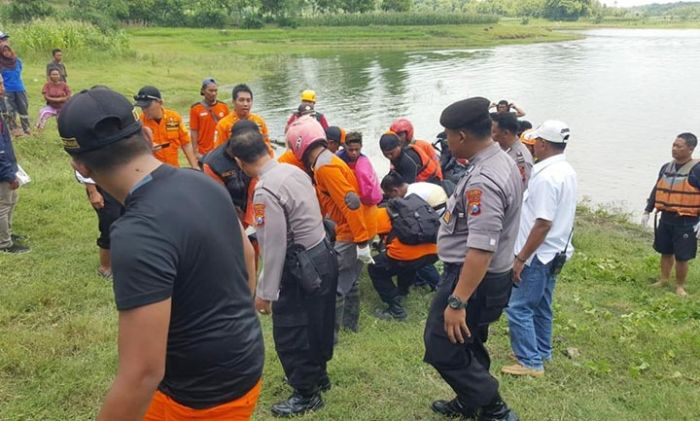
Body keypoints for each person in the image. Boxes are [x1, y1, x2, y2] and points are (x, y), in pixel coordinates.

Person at [58, 87, 264, 421]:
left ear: (80, 165)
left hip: (198, 398)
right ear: (143, 133)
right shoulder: (203, 182)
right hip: (247, 362)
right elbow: (248, 258)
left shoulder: (136, 233)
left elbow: (141, 375)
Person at [424, 97, 522, 421]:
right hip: (488, 276)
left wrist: (457, 301)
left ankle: (493, 407)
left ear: (461, 136)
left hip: (471, 277)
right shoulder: (501, 159)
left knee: (441, 344)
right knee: (469, 340)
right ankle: (470, 402)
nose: (447, 142)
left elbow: (481, 248)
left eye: (449, 135)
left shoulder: (483, 181)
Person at [231, 128, 337, 417]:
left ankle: (306, 394)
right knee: (318, 321)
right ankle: (319, 375)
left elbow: (274, 245)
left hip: (300, 267)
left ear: (240, 162)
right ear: (267, 147)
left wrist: (265, 293)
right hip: (322, 254)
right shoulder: (295, 171)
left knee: (293, 331)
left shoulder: (265, 191)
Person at [285, 116, 375, 338]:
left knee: (331, 285)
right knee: (348, 279)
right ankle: (350, 327)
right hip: (355, 229)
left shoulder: (325, 168)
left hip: (352, 232)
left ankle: (329, 337)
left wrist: (361, 241)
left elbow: (350, 202)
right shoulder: (326, 161)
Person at [502, 120, 577, 378]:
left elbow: (543, 222)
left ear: (543, 144)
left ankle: (530, 362)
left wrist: (521, 257)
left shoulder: (546, 177)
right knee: (542, 304)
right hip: (556, 250)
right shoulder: (566, 170)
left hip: (538, 253)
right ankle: (542, 350)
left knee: (518, 306)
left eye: (535, 143)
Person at [370, 174, 444, 320]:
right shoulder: (415, 202)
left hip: (408, 256)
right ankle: (403, 292)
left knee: (375, 268)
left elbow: (367, 233)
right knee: (406, 264)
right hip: (433, 252)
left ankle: (396, 310)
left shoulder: (383, 212)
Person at [642, 132, 700, 297]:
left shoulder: (697, 170)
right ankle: (664, 279)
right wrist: (648, 209)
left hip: (686, 220)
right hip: (666, 217)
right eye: (673, 145)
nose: (674, 149)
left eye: (679, 146)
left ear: (690, 149)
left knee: (682, 256)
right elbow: (657, 189)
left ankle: (680, 286)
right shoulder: (666, 167)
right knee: (665, 251)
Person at [381, 173, 446, 290]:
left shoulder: (411, 197)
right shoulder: (415, 186)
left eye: (390, 196)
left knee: (418, 255)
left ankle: (438, 285)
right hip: (439, 218)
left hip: (434, 224)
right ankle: (420, 281)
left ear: (395, 191)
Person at [202, 120, 259, 227]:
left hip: (254, 203)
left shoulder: (255, 152)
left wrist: (252, 217)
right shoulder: (213, 164)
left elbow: (257, 183)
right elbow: (219, 198)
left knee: (262, 223)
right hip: (228, 209)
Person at [134, 86, 198, 169]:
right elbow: (134, 151)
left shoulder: (174, 118)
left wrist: (195, 167)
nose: (144, 110)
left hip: (173, 169)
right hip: (152, 172)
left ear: (160, 102)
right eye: (142, 107)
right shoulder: (139, 123)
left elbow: (186, 143)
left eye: (147, 106)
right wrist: (147, 147)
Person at [0, 81, 28, 254]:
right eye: (0, 85)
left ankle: (7, 233)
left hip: (7, 164)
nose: (3, 88)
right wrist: (9, 174)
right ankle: (4, 243)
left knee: (11, 200)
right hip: (3, 168)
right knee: (3, 204)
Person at [214, 84, 270, 149]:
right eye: (241, 100)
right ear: (233, 101)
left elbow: (268, 148)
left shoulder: (259, 122)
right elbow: (218, 151)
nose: (245, 104)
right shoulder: (223, 125)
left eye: (248, 100)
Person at [337, 131, 382, 206]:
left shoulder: (364, 162)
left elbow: (371, 181)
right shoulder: (338, 158)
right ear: (345, 147)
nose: (354, 153)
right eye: (350, 150)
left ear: (361, 146)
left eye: (357, 149)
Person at [189, 78, 229, 158]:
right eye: (210, 91)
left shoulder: (224, 107)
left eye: (215, 91)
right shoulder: (195, 109)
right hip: (204, 152)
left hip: (221, 150)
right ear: (203, 91)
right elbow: (194, 131)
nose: (213, 93)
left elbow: (228, 128)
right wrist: (195, 152)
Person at [491, 112, 534, 187]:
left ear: (505, 133)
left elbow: (523, 190)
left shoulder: (520, 160)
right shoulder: (503, 150)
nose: (491, 135)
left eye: (494, 132)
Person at [0, 45, 30, 136]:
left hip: (20, 88)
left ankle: (26, 128)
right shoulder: (1, 63)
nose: (6, 53)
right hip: (7, 90)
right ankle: (14, 129)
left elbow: (20, 72)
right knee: (10, 110)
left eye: (8, 50)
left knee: (23, 108)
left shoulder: (17, 61)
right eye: (4, 51)